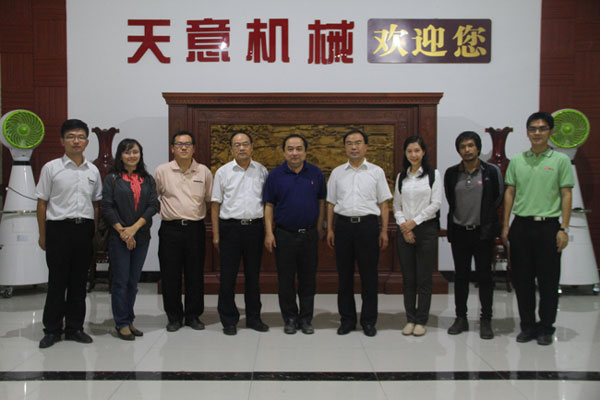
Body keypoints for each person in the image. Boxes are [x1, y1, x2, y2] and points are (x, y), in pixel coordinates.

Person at [502, 112, 574, 346]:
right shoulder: (517, 161)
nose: (537, 133)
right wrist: (505, 225)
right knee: (522, 281)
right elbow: (510, 192)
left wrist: (564, 228)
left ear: (551, 131)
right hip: (521, 226)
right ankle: (527, 326)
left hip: (549, 227)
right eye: (532, 129)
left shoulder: (560, 160)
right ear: (527, 132)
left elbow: (566, 194)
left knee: (548, 281)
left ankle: (546, 327)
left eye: (542, 128)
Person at [35, 119, 102, 348]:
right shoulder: (51, 168)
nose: (76, 141)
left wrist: (93, 232)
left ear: (87, 142)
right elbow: (42, 203)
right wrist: (42, 235)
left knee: (78, 282)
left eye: (81, 137)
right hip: (58, 229)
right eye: (71, 137)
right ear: (62, 141)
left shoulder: (92, 170)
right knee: (57, 281)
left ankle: (75, 328)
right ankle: (52, 330)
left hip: (83, 229)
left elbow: (95, 203)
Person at [326, 129, 392, 337]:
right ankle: (347, 320)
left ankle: (369, 321)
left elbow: (384, 204)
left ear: (366, 146)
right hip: (343, 227)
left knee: (369, 276)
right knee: (344, 276)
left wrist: (384, 231)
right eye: (349, 143)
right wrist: (330, 228)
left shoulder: (376, 172)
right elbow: (330, 203)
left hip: (368, 227)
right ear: (345, 147)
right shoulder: (337, 172)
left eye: (358, 143)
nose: (353, 147)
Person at [263, 134, 326, 335]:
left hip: (309, 234)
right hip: (284, 235)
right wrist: (269, 233)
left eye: (299, 149)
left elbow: (321, 202)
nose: (295, 153)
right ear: (284, 152)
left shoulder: (315, 173)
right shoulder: (275, 175)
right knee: (285, 280)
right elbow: (269, 205)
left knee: (308, 279)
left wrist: (320, 227)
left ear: (305, 152)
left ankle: (306, 319)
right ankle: (290, 318)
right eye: (290, 149)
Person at [444, 131, 503, 339]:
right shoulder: (452, 173)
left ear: (478, 147)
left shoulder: (491, 171)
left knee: (485, 277)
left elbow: (497, 198)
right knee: (461, 277)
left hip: (482, 233)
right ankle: (461, 317)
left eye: (470, 145)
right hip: (460, 232)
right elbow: (450, 198)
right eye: (462, 147)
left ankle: (486, 319)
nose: (467, 150)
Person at [211, 132, 269, 335]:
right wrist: (216, 234)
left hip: (255, 228)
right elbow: (215, 205)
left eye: (245, 144)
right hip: (230, 229)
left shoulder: (262, 171)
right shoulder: (223, 172)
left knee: (253, 276)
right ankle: (228, 320)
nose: (242, 148)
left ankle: (254, 318)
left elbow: (267, 203)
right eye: (237, 145)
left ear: (252, 147)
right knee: (228, 277)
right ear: (231, 149)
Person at [154, 131, 213, 332]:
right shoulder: (162, 171)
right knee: (170, 274)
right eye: (179, 144)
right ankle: (174, 317)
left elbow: (209, 200)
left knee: (195, 274)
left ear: (194, 148)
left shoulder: (203, 171)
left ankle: (193, 315)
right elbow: (153, 198)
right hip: (170, 229)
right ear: (172, 148)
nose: (183, 147)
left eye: (188, 144)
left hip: (195, 229)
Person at [102, 138, 159, 340]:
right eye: (127, 152)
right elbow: (107, 207)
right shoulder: (112, 179)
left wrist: (133, 229)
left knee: (133, 282)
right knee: (120, 281)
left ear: (140, 155)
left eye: (135, 152)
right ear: (120, 155)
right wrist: (123, 231)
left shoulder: (148, 179)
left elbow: (153, 205)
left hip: (141, 236)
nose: (132, 155)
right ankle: (121, 322)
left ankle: (129, 318)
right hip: (119, 237)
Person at [393, 136, 441, 337]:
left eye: (417, 151)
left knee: (424, 278)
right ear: (405, 153)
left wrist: (414, 222)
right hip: (405, 231)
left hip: (426, 230)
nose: (413, 155)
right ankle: (410, 318)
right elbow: (397, 206)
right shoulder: (401, 177)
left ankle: (421, 320)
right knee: (408, 278)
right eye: (409, 151)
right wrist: (405, 227)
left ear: (423, 152)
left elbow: (436, 204)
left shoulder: (433, 175)